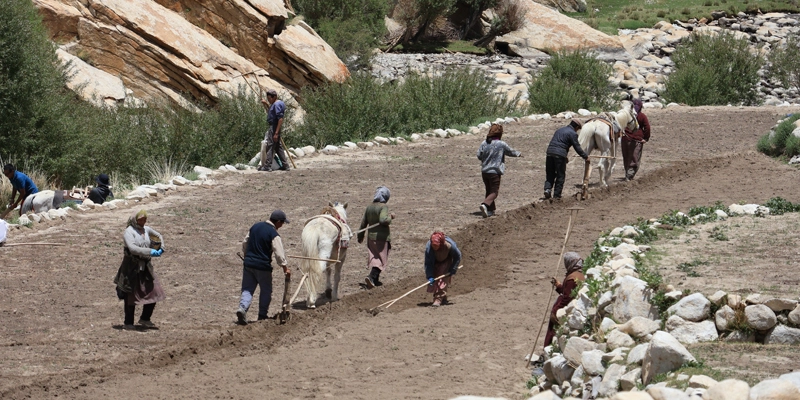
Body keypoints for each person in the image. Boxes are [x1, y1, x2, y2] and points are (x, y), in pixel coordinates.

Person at [113, 209, 166, 330]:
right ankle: (128, 322)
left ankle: (145, 318)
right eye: (140, 219)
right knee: (130, 296)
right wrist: (150, 251)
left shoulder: (146, 229)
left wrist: (161, 246)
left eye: (145, 219)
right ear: (135, 220)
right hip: (131, 267)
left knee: (154, 291)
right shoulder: (129, 232)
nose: (143, 222)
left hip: (145, 266)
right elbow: (132, 248)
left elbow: (158, 236)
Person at [236, 209, 290, 324]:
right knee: (266, 290)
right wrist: (285, 267)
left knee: (247, 289)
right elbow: (279, 253)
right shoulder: (273, 233)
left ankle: (242, 309)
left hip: (248, 264)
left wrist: (247, 257)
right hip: (263, 267)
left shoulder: (255, 226)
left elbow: (245, 242)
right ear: (278, 222)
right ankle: (262, 315)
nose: (282, 226)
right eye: (282, 223)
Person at [477, 123, 522, 218]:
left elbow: (479, 155)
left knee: (488, 190)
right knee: (494, 192)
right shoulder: (501, 144)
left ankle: (490, 210)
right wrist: (519, 154)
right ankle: (485, 204)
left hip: (484, 171)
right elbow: (510, 152)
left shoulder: (484, 143)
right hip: (495, 172)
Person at [543, 252, 585, 351]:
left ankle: (549, 350)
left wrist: (555, 310)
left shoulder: (572, 279)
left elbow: (567, 298)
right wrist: (558, 286)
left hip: (564, 309)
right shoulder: (578, 274)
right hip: (569, 306)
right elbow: (568, 291)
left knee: (553, 331)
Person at [357, 186, 394, 289]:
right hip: (381, 238)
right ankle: (372, 277)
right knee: (382, 258)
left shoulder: (369, 207)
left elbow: (363, 222)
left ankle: (375, 279)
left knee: (375, 257)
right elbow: (383, 220)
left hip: (371, 238)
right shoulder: (383, 207)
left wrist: (360, 235)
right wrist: (390, 217)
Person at [543, 119, 589, 200]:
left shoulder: (559, 130)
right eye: (578, 129)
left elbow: (558, 143)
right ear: (577, 127)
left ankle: (547, 189)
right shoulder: (573, 134)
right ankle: (557, 196)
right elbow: (577, 147)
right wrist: (585, 156)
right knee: (560, 175)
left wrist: (565, 156)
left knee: (550, 173)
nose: (577, 131)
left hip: (550, 152)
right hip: (560, 154)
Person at [424, 231, 461, 307]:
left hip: (446, 261)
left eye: (436, 246)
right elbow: (428, 263)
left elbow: (458, 256)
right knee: (435, 280)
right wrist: (430, 276)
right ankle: (443, 298)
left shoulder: (449, 246)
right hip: (434, 262)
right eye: (433, 246)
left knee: (442, 281)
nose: (434, 248)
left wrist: (453, 268)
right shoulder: (429, 248)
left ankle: (438, 299)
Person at [259, 89, 290, 172]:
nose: (269, 100)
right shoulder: (277, 103)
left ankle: (267, 166)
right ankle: (285, 165)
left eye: (269, 99)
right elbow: (271, 112)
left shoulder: (276, 105)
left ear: (274, 97)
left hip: (274, 127)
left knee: (270, 145)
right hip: (275, 127)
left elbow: (280, 119)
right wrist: (266, 104)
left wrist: (276, 132)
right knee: (278, 147)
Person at [621, 98, 651, 181]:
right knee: (634, 158)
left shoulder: (626, 115)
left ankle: (627, 173)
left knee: (626, 157)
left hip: (625, 138)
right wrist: (646, 138)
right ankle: (629, 175)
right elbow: (647, 127)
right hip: (636, 140)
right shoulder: (642, 116)